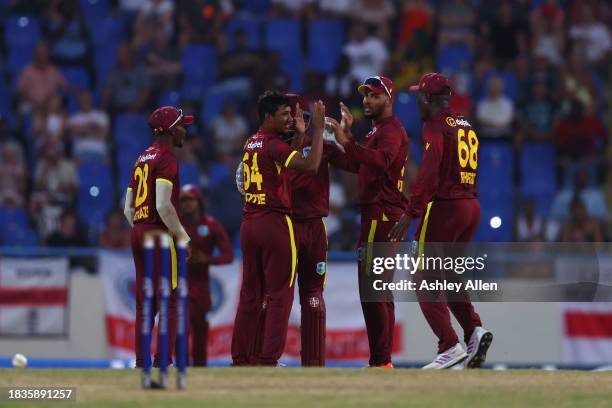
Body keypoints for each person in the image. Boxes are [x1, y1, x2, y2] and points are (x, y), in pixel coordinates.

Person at [389, 72, 493, 369]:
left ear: (427, 98)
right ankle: (473, 330)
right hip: (470, 206)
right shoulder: (465, 125)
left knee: (422, 277)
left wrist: (411, 212)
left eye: (418, 97)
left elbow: (430, 171)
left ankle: (449, 346)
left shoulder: (434, 126)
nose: (416, 104)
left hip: (445, 208)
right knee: (449, 275)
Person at [231, 91, 326, 366]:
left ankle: (241, 358)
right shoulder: (272, 144)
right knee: (279, 295)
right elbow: (310, 165)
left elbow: (283, 166)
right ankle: (267, 359)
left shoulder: (251, 142)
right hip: (275, 223)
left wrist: (298, 135)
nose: (289, 119)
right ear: (268, 116)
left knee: (250, 295)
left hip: (250, 223)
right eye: (284, 115)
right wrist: (316, 131)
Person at [330, 76, 408, 368]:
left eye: (375, 96)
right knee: (379, 290)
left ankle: (381, 360)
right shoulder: (379, 130)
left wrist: (346, 141)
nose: (367, 100)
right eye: (365, 95)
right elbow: (357, 163)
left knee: (373, 289)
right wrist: (329, 150)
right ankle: (382, 360)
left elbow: (381, 161)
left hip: (381, 216)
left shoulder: (390, 131)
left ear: (388, 99)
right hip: (379, 215)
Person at [123, 105, 198, 367]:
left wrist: (141, 227)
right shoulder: (166, 157)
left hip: (139, 230)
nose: (185, 131)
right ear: (169, 129)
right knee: (174, 298)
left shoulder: (141, 157)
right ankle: (161, 360)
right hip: (158, 233)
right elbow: (164, 205)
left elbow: (127, 208)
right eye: (181, 125)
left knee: (146, 302)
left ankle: (141, 362)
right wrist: (182, 237)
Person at [285, 94, 357, 366]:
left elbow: (354, 163)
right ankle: (310, 365)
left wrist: (344, 134)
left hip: (304, 227)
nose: (299, 121)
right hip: (294, 226)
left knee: (298, 295)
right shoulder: (309, 146)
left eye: (302, 116)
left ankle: (295, 363)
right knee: (306, 295)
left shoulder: (316, 146)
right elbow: (352, 164)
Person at [179, 184, 233, 366]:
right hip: (178, 284)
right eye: (183, 201)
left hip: (201, 288)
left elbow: (228, 256)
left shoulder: (211, 225)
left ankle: (200, 370)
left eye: (190, 200)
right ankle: (182, 368)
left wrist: (206, 259)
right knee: (181, 330)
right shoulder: (175, 225)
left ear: (199, 201)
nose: (186, 204)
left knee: (200, 333)